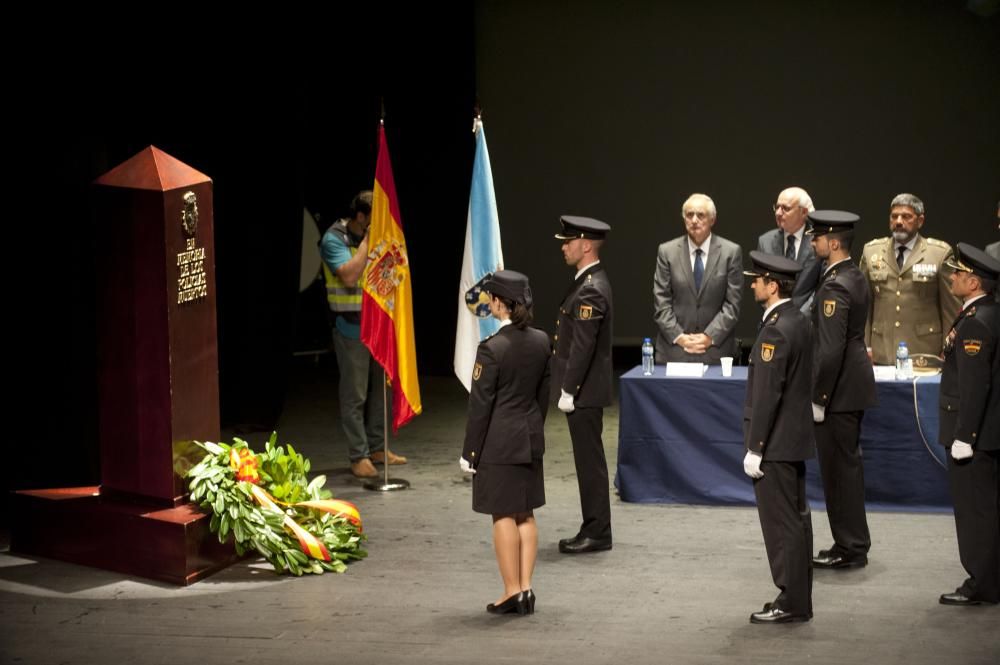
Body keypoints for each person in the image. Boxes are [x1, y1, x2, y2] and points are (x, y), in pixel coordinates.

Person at [460, 270, 551, 616]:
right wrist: (531, 428)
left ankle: (511, 590)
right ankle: (526, 589)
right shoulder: (543, 341)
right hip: (529, 438)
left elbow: (479, 408)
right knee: (525, 514)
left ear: (498, 303)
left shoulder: (492, 349)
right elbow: (542, 396)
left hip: (499, 444)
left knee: (503, 514)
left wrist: (470, 453)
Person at [742, 251, 815, 624]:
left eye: (757, 279)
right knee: (797, 520)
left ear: (772, 286)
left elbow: (768, 393)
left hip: (776, 443)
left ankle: (791, 601)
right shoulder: (798, 320)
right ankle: (799, 598)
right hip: (794, 438)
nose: (752, 283)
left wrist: (755, 447)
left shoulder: (775, 329)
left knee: (782, 523)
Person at [807, 211, 878, 570]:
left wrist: (819, 398)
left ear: (834, 242)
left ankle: (850, 546)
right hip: (851, 385)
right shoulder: (853, 275)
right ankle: (850, 542)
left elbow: (830, 349)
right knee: (845, 468)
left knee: (839, 471)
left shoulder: (835, 284)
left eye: (817, 237)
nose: (813, 241)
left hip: (838, 392)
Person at [321, 191, 406, 479]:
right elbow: (348, 274)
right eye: (373, 221)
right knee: (355, 393)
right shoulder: (334, 238)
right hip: (350, 327)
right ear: (360, 217)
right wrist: (368, 243)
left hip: (378, 326)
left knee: (383, 390)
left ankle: (378, 447)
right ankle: (359, 456)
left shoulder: (377, 235)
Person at [937, 243, 999, 607]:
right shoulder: (987, 313)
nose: (953, 278)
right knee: (987, 507)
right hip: (988, 431)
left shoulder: (976, 322)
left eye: (958, 274)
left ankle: (982, 582)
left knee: (976, 511)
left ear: (974, 282)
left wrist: (966, 436)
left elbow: (975, 385)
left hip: (977, 435)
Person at [552, 216, 615, 554]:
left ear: (586, 245)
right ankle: (593, 526)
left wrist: (568, 389)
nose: (563, 246)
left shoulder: (590, 287)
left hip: (584, 392)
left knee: (589, 463)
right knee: (587, 461)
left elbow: (582, 346)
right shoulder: (586, 281)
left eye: (569, 241)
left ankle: (597, 530)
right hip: (585, 390)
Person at [859, 193, 961, 365]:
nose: (899, 221)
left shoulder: (939, 254)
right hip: (881, 351)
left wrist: (948, 348)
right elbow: (864, 305)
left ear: (920, 221)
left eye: (906, 216)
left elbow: (951, 309)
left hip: (924, 351)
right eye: (894, 216)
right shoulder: (871, 252)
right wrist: (865, 346)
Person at [653, 194, 742, 364]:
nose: (694, 220)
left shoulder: (731, 252)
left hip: (715, 352)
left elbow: (732, 305)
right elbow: (661, 302)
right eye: (689, 215)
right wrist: (680, 337)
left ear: (712, 220)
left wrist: (709, 337)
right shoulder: (667, 251)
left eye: (700, 215)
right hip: (674, 351)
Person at [756, 187, 823, 312]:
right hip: (775, 322)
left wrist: (799, 318)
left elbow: (821, 287)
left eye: (785, 208)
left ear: (804, 212)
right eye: (777, 207)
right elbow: (761, 286)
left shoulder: (818, 241)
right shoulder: (765, 241)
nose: (778, 213)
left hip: (808, 322)